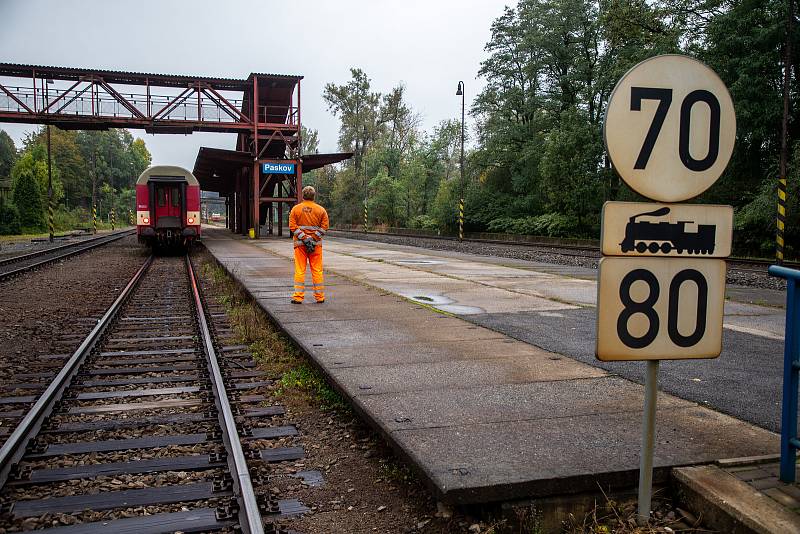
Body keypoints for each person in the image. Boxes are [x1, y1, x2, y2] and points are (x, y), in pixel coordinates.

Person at [288, 186, 329, 304]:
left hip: (300, 245)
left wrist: (304, 238)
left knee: (300, 270)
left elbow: (292, 227)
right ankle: (319, 297)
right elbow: (324, 227)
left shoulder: (296, 209)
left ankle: (298, 297)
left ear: (302, 195)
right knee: (317, 270)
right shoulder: (321, 210)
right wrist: (313, 238)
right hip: (316, 246)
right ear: (314, 196)